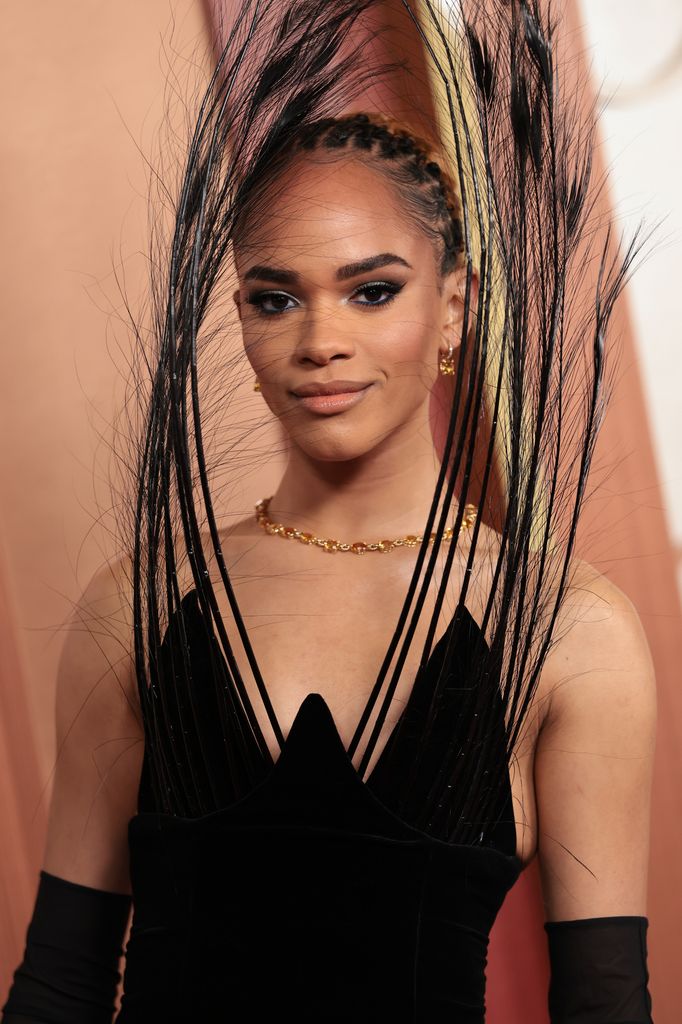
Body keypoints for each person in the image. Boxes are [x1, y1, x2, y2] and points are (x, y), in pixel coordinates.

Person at [2, 1, 656, 1020]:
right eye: (275, 297)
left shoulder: (572, 633)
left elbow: (604, 1003)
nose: (319, 341)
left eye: (371, 290)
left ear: (452, 307)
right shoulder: (134, 608)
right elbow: (61, 985)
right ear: (239, 318)